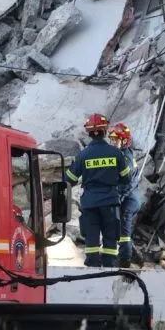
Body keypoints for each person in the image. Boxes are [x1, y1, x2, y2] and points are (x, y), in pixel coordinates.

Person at [66, 114, 131, 267]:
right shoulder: (116, 153)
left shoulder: (83, 155)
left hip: (90, 203)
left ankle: (93, 266)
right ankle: (109, 266)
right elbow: (126, 178)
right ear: (105, 131)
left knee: (91, 237)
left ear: (89, 133)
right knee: (110, 237)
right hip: (110, 201)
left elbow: (70, 179)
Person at [109, 122, 142, 269]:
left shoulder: (125, 158)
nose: (113, 142)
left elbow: (127, 183)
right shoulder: (122, 154)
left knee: (124, 233)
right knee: (121, 230)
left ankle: (125, 261)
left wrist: (118, 197)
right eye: (112, 139)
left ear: (124, 141)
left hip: (129, 200)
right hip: (130, 198)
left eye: (116, 139)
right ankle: (129, 253)